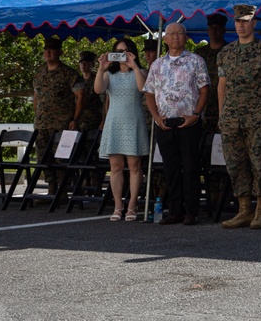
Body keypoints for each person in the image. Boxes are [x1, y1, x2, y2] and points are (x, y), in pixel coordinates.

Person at [216, 4, 261, 230]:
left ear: (254, 23)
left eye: (245, 21)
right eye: (238, 21)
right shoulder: (226, 53)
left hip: (259, 118)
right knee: (235, 165)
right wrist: (221, 114)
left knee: (260, 164)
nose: (241, 25)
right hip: (231, 119)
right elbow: (221, 87)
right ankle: (244, 211)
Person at [143, 23, 210, 226]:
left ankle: (191, 211)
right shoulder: (157, 65)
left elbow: (205, 90)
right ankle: (174, 211)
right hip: (165, 123)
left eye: (180, 34)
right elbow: (149, 93)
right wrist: (156, 117)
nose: (176, 37)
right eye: (171, 34)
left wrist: (196, 114)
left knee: (190, 167)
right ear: (164, 38)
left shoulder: (196, 61)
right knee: (170, 168)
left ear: (186, 37)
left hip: (188, 122)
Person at [94, 39, 149, 222]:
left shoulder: (140, 72)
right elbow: (98, 90)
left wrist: (133, 66)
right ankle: (118, 206)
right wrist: (102, 68)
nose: (122, 54)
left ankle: (132, 205)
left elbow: (143, 89)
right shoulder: (110, 74)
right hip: (114, 122)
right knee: (115, 167)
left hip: (134, 121)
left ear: (132, 52)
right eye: (118, 51)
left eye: (126, 51)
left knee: (134, 166)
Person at [32, 36, 84, 201]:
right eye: (46, 50)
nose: (48, 53)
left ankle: (62, 191)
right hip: (42, 124)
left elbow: (81, 97)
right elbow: (36, 97)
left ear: (59, 52)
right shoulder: (40, 73)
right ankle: (51, 189)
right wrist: (38, 115)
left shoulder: (69, 73)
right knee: (43, 158)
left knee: (61, 158)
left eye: (52, 50)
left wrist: (74, 119)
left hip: (62, 125)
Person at [196, 12, 228, 208]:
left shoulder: (229, 52)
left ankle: (225, 197)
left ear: (224, 30)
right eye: (211, 27)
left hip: (225, 113)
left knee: (225, 157)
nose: (214, 31)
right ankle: (212, 197)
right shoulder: (199, 55)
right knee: (207, 158)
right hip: (204, 113)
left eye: (217, 27)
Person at [76, 51, 105, 132]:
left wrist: (103, 120)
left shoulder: (97, 80)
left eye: (86, 63)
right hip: (78, 120)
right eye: (81, 62)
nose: (83, 65)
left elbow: (104, 102)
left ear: (92, 65)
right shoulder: (77, 81)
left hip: (93, 121)